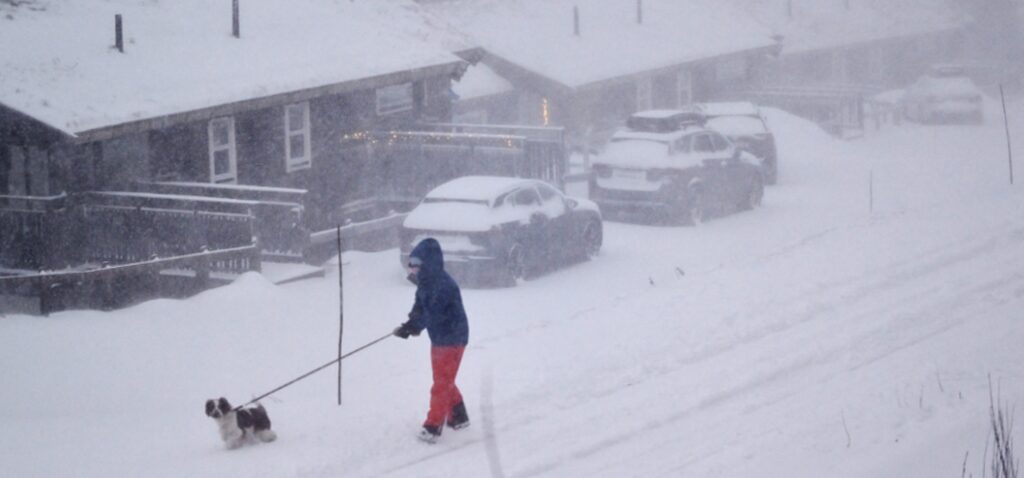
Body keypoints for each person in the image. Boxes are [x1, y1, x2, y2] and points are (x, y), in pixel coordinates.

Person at [393, 238, 470, 443]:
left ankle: (433, 426)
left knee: (441, 383)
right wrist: (409, 324)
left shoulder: (442, 285)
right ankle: (459, 415)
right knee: (443, 379)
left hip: (453, 338)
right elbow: (420, 307)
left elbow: (432, 313)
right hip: (439, 338)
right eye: (411, 264)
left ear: (428, 264)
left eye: (417, 265)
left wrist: (414, 327)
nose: (413, 268)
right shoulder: (426, 283)